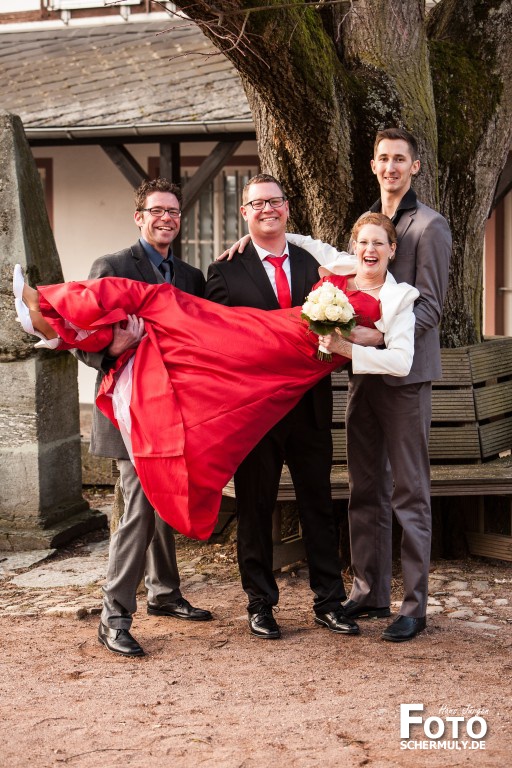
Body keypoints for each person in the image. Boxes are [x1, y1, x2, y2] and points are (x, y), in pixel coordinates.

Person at [14, 213, 418, 641]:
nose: (369, 250)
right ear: (353, 245)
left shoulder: (398, 297)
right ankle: (52, 314)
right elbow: (298, 237)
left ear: (392, 250)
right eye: (363, 242)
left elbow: (399, 356)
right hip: (265, 339)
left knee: (317, 507)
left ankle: (329, 604)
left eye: (379, 243)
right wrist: (250, 236)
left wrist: (360, 341)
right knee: (158, 302)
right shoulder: (338, 265)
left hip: (297, 373)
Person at [236, 129, 450, 642]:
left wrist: (376, 336)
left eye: (400, 159)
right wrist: (254, 241)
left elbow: (431, 306)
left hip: (404, 375)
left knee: (409, 492)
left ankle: (414, 605)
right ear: (373, 165)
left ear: (414, 167)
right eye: (383, 159)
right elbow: (327, 255)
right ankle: (370, 591)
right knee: (364, 487)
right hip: (361, 378)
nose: (390, 167)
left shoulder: (430, 225)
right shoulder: (368, 223)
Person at [74, 178, 212, 658]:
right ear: (139, 217)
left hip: (174, 413)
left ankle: (164, 593)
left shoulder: (191, 277)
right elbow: (78, 336)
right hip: (127, 413)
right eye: (157, 211)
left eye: (173, 211)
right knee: (139, 509)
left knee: (164, 497)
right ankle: (113, 615)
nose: (166, 218)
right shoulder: (112, 267)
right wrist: (114, 347)